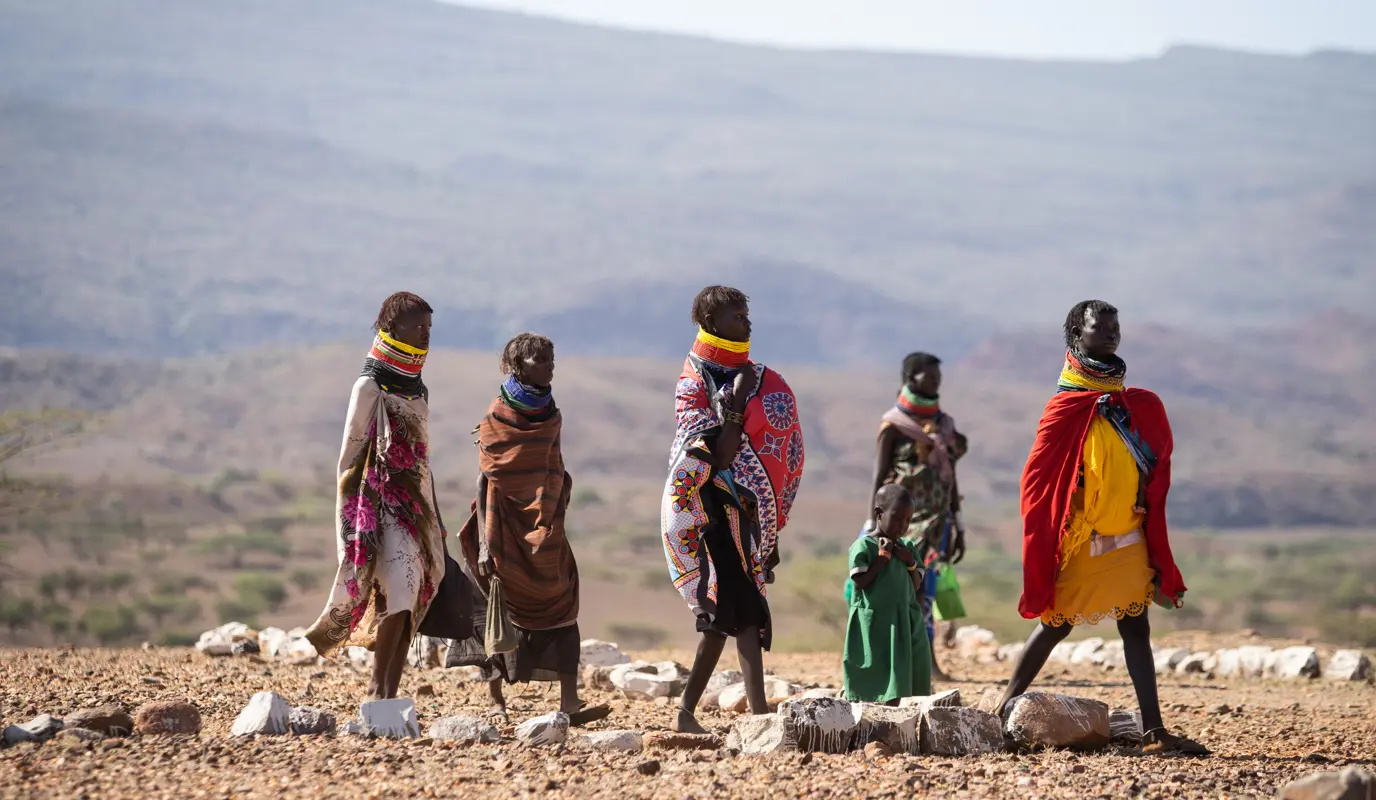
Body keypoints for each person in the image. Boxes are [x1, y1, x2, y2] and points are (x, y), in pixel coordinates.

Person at [997, 300, 1209, 756]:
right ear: (1077, 334)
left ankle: (1154, 732)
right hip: (1083, 539)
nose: (1111, 335)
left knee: (1136, 627)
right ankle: (1001, 713)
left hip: (1128, 535)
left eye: (1116, 328)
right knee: (1057, 624)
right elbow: (1038, 482)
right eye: (1100, 328)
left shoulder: (1133, 405)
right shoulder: (1064, 407)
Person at [663, 285, 805, 734]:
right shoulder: (693, 382)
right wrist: (739, 406)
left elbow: (780, 443)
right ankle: (742, 714)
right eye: (737, 317)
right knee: (729, 610)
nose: (747, 323)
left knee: (736, 611)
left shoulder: (757, 376)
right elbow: (718, 456)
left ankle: (708, 712)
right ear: (711, 324)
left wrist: (768, 528)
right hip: (708, 513)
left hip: (743, 515)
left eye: (747, 314)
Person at [454, 334, 609, 726]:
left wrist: (559, 494)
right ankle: (495, 701)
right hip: (503, 525)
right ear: (517, 364)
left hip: (546, 523)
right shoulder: (497, 417)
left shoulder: (550, 413)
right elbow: (485, 480)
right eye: (538, 359)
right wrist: (487, 543)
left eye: (551, 358)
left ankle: (570, 702)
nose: (548, 365)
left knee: (563, 599)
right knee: (497, 606)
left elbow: (552, 464)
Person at [305, 292, 447, 701]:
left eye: (428, 329)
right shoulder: (369, 385)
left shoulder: (418, 388)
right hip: (376, 507)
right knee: (399, 590)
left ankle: (389, 690)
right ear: (391, 328)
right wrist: (351, 527)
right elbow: (348, 459)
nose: (424, 336)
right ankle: (376, 689)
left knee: (414, 593)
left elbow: (421, 457)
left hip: (415, 507)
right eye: (417, 327)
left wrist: (433, 514)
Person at [866, 352, 967, 680]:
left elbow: (950, 476)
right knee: (901, 588)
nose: (935, 381)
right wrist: (874, 523)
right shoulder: (894, 425)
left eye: (938, 376)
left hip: (937, 522)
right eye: (928, 376)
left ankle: (926, 660)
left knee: (927, 589)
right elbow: (880, 475)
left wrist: (958, 522)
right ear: (910, 378)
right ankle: (892, 661)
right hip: (902, 523)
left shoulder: (945, 425)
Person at [844, 485, 930, 704]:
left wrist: (908, 561)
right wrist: (881, 559)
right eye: (897, 517)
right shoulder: (864, 546)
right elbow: (861, 582)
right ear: (879, 514)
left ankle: (890, 721)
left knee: (899, 674)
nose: (902, 525)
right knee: (872, 669)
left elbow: (917, 583)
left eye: (908, 519)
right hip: (874, 621)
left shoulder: (908, 548)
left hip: (903, 621)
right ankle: (866, 720)